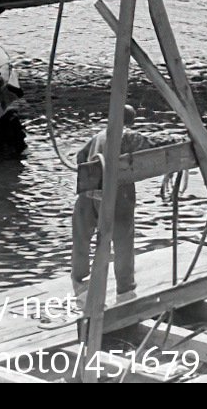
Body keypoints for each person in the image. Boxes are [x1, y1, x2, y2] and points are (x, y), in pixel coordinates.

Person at [71, 104, 149, 306]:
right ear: (131, 122)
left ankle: (79, 280)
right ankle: (125, 287)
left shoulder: (99, 135)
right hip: (116, 196)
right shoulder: (129, 136)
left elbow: (80, 157)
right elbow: (152, 149)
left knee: (82, 237)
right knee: (123, 240)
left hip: (88, 195)